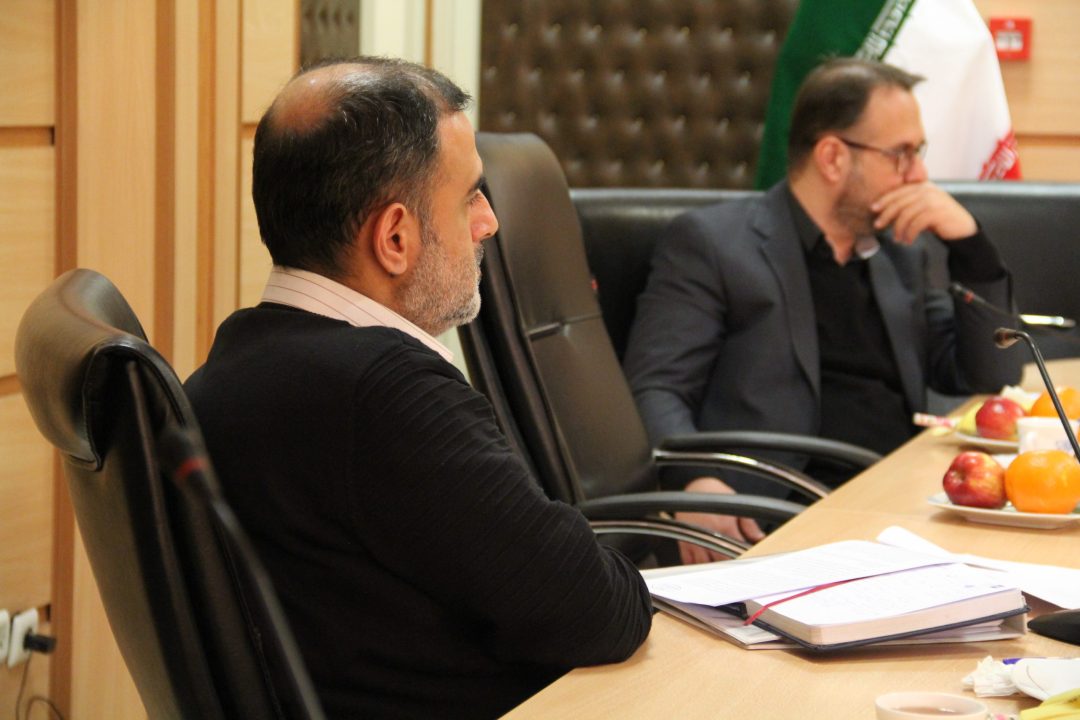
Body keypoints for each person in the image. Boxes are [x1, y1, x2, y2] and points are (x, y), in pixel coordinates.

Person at [184, 57, 651, 719]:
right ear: (395, 237)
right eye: (470, 197)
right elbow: (600, 611)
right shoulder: (387, 396)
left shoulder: (231, 365)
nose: (488, 222)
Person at [623, 58, 1023, 562]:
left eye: (917, 152)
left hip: (901, 511)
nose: (919, 175)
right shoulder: (713, 244)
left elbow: (989, 374)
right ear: (832, 157)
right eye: (901, 154)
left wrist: (971, 248)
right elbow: (656, 388)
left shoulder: (902, 253)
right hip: (774, 519)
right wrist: (695, 480)